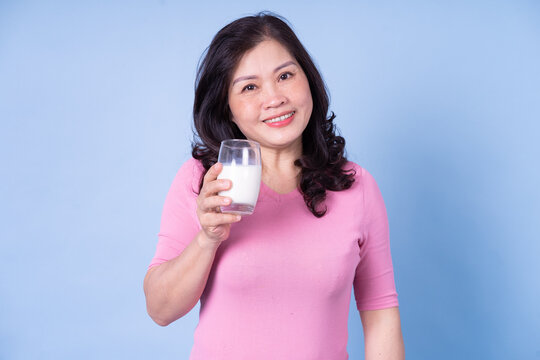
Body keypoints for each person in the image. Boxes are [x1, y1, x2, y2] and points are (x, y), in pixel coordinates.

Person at [144, 12, 405, 360]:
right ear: (227, 107)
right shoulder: (204, 182)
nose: (275, 98)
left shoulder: (355, 188)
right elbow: (161, 310)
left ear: (308, 80)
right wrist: (207, 238)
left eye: (285, 76)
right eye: (250, 87)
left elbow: (381, 316)